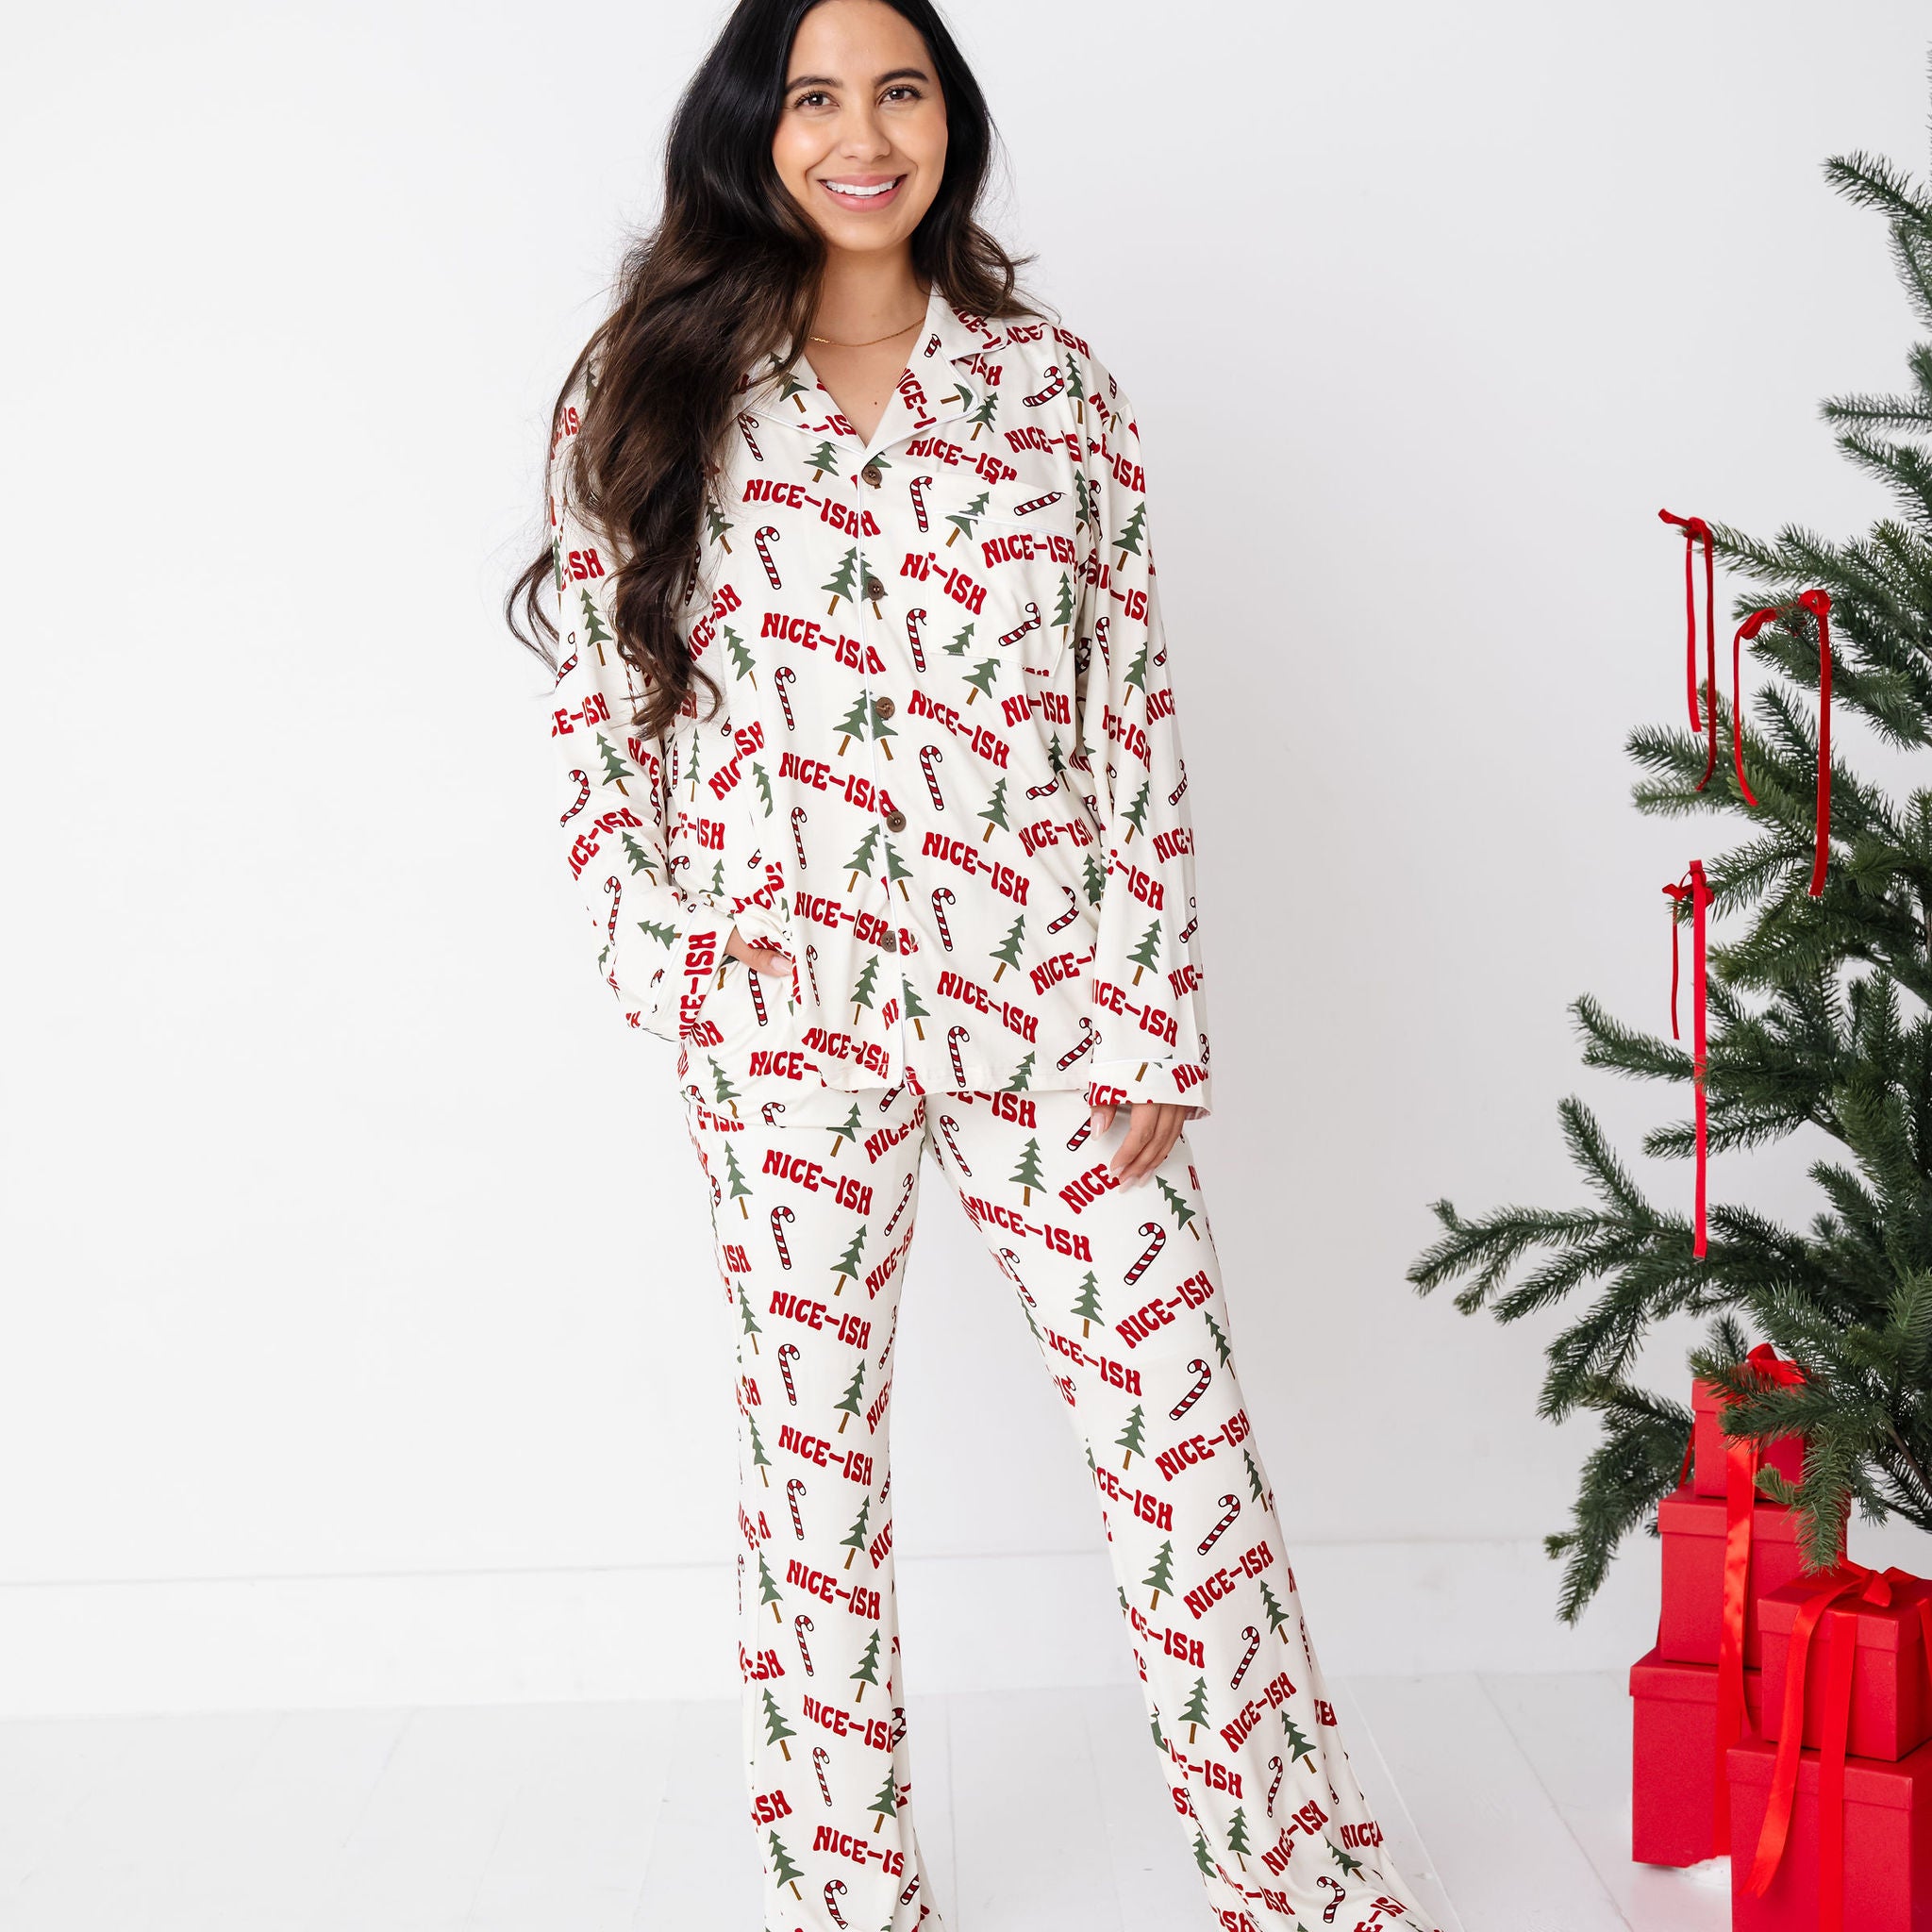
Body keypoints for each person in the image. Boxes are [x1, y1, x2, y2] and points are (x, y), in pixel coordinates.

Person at [511, 3, 1441, 1926]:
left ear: (951, 116)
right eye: (816, 97)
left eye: (901, 90)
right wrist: (682, 977)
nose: (863, 136)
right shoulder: (651, 386)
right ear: (752, 127)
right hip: (786, 1024)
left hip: (1053, 1015)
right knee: (814, 1485)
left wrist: (1151, 1010)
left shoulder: (1052, 394)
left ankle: (1293, 1883)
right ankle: (847, 1897)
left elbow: (1129, 716)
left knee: (1185, 1450)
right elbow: (600, 732)